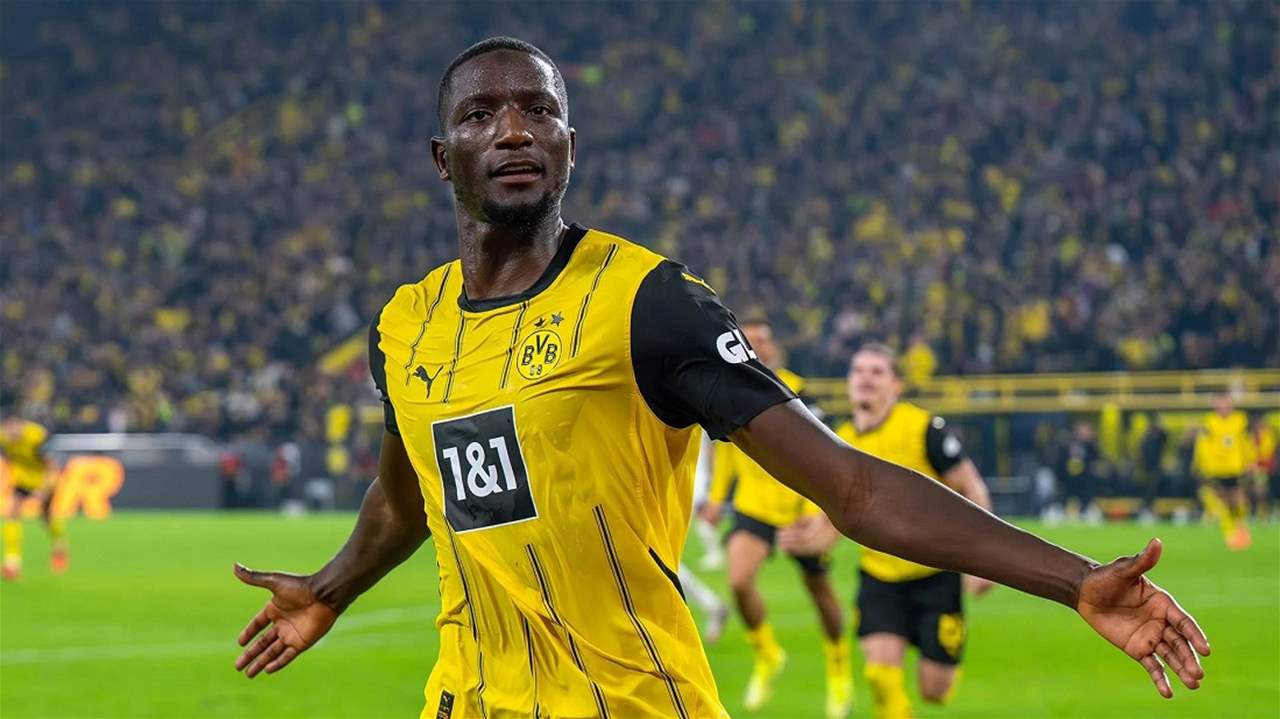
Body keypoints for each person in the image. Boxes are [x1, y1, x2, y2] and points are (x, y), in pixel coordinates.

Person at [233, 37, 1210, 719]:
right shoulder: (403, 326)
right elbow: (410, 492)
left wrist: (1073, 579)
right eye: (482, 113)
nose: (516, 129)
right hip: (462, 698)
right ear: (441, 157)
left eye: (541, 110)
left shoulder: (647, 302)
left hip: (630, 701)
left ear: (570, 146)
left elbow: (851, 485)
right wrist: (328, 587)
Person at [786, 343, 994, 718]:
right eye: (858, 371)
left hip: (935, 574)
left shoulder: (923, 428)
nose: (865, 378)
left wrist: (984, 561)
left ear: (896, 384)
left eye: (877, 371)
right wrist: (806, 540)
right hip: (879, 577)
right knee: (881, 677)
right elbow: (831, 520)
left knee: (935, 691)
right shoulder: (839, 442)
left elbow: (972, 487)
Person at [699, 318, 851, 717]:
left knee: (819, 590)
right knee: (738, 581)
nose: (759, 347)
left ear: (774, 346)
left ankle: (838, 666)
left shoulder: (797, 390)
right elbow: (727, 452)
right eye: (751, 340)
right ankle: (767, 653)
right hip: (754, 505)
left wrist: (816, 511)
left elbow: (821, 452)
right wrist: (716, 499)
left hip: (799, 505)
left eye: (764, 340)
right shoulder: (727, 389)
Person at [1, 417, 68, 580]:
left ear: (21, 425)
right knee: (12, 512)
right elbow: (8, 458)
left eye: (13, 428)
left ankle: (59, 544)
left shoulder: (37, 436)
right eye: (7, 429)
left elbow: (52, 466)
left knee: (46, 517)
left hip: (43, 479)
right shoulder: (3, 438)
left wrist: (43, 490)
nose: (11, 433)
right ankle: (12, 562)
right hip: (22, 479)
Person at [1193, 394, 1254, 550]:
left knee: (1238, 499)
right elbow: (1203, 445)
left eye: (1226, 404)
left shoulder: (1240, 420)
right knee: (1222, 500)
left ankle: (1241, 528)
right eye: (1220, 404)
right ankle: (1230, 533)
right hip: (1216, 468)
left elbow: (1246, 442)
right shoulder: (1209, 422)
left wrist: (1250, 460)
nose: (1224, 407)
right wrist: (1203, 464)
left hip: (1235, 467)